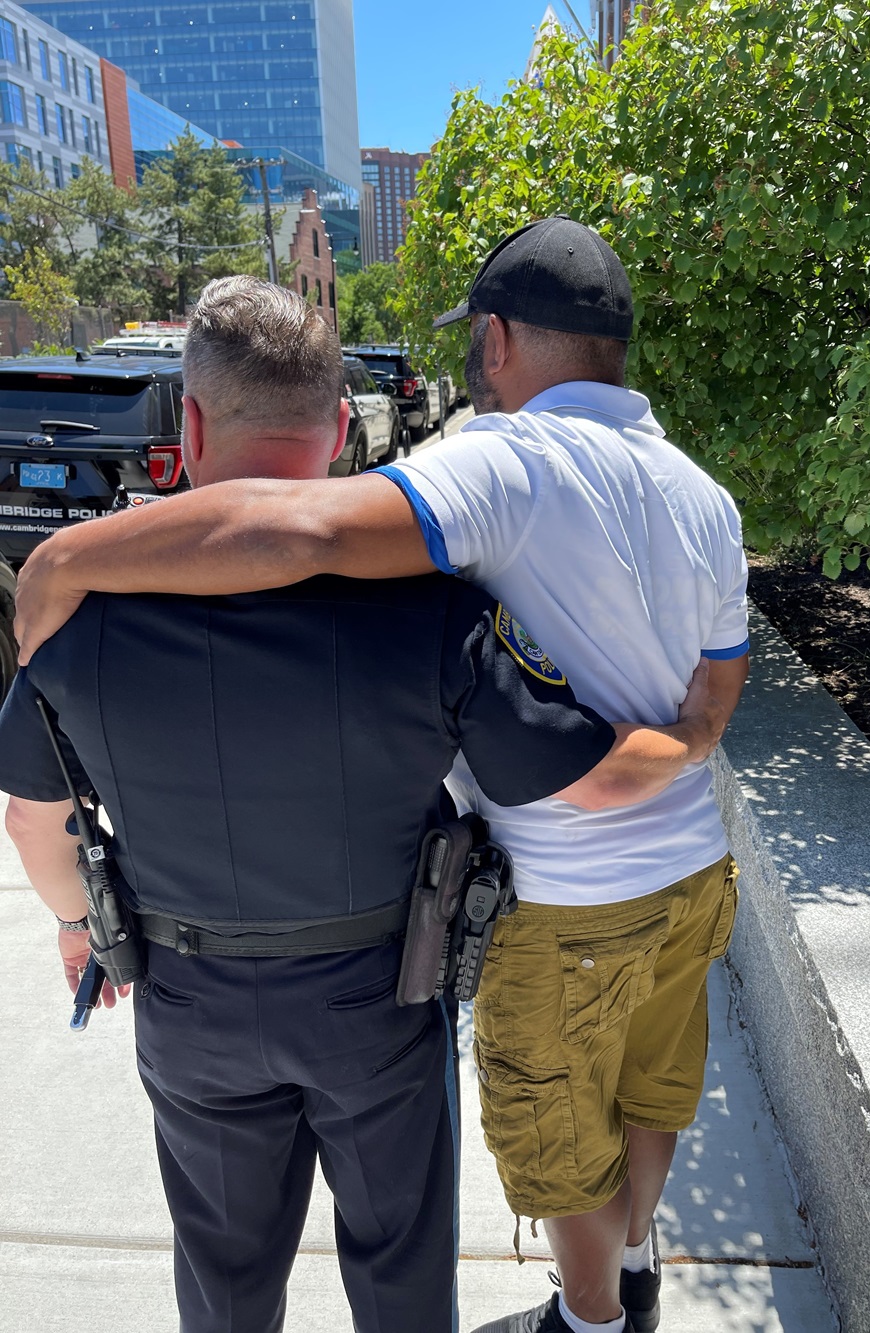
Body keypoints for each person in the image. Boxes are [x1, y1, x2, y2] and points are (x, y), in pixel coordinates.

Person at [14, 220, 750, 1333]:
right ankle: (621, 1283)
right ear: (338, 426)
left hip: (199, 995)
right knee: (416, 1254)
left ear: (191, 421)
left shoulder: (81, 621)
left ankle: (588, 1311)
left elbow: (35, 818)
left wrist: (82, 921)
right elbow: (631, 727)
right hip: (428, 978)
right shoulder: (478, 591)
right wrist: (692, 739)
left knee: (225, 1264)